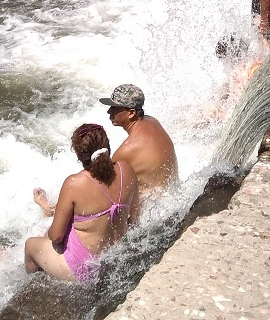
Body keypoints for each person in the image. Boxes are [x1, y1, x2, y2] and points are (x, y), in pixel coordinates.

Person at [26, 124, 138, 283]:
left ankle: (35, 288)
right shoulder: (126, 168)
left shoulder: (74, 183)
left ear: (79, 154)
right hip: (115, 257)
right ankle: (47, 210)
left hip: (86, 268)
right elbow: (134, 218)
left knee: (31, 245)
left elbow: (56, 236)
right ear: (107, 146)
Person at [101, 84, 178, 192]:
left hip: (154, 206)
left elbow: (109, 192)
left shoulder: (126, 151)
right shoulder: (153, 122)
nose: (109, 111)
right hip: (173, 194)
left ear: (131, 113)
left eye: (114, 108)